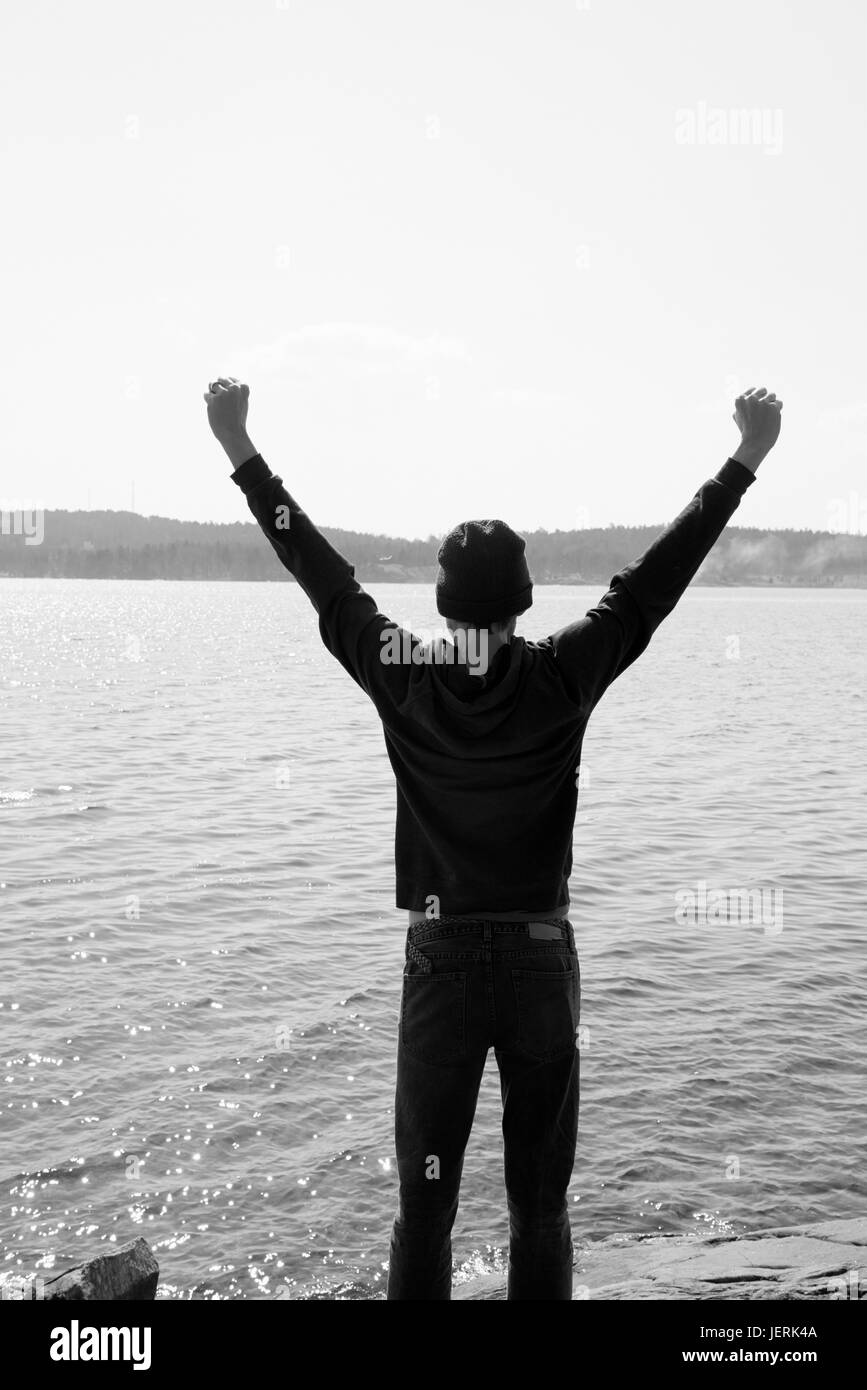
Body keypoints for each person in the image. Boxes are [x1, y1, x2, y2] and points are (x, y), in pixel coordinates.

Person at [203, 376, 783, 1300]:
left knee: (423, 1210)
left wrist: (239, 447)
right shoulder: (562, 674)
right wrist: (744, 457)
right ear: (521, 601)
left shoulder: (402, 675)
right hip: (538, 956)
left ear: (441, 608)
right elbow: (653, 586)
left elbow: (319, 571)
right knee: (540, 1207)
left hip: (440, 962)